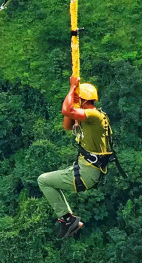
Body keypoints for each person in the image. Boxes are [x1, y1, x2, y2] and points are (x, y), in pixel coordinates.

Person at [37, 78, 113, 239]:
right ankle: (68, 219)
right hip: (84, 169)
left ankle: (67, 219)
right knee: (47, 181)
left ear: (83, 100)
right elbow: (66, 124)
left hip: (86, 173)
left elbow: (66, 110)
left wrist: (72, 90)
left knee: (43, 180)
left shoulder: (94, 115)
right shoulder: (88, 117)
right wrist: (75, 104)